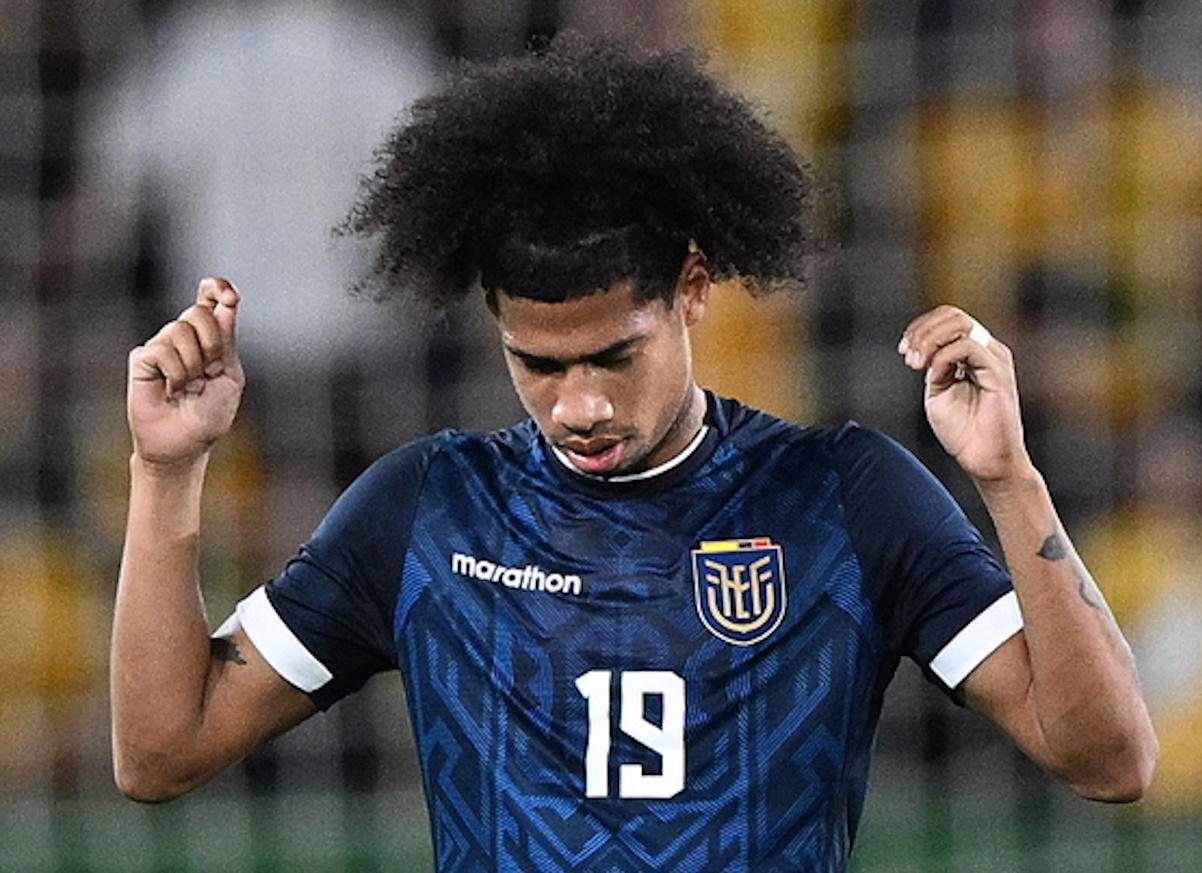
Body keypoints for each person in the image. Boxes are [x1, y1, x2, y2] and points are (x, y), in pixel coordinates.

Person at [111, 33, 1157, 872]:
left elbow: (1106, 761)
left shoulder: (842, 496)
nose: (578, 405)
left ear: (692, 286)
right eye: (538, 363)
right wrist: (165, 475)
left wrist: (1005, 481)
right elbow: (161, 755)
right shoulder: (427, 509)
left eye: (614, 355)